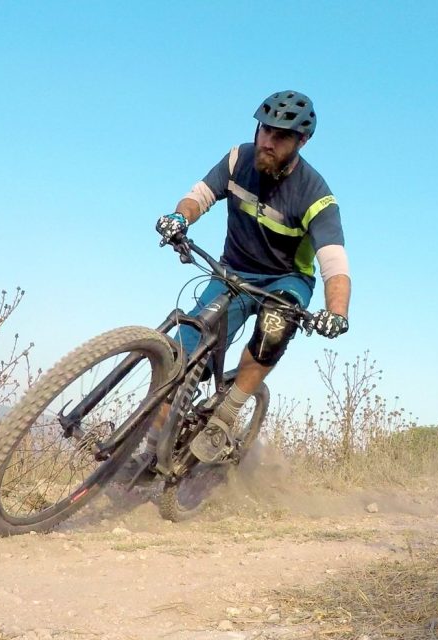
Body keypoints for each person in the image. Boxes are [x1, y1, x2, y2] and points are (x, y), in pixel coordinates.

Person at [129, 90, 351, 478]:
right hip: (232, 272)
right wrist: (180, 218)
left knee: (275, 327)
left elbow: (335, 264)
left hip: (285, 280)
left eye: (281, 136)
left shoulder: (316, 195)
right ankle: (147, 453)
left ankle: (225, 416)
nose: (268, 141)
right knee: (180, 358)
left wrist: (336, 313)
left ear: (302, 141)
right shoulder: (238, 159)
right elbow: (199, 195)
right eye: (265, 129)